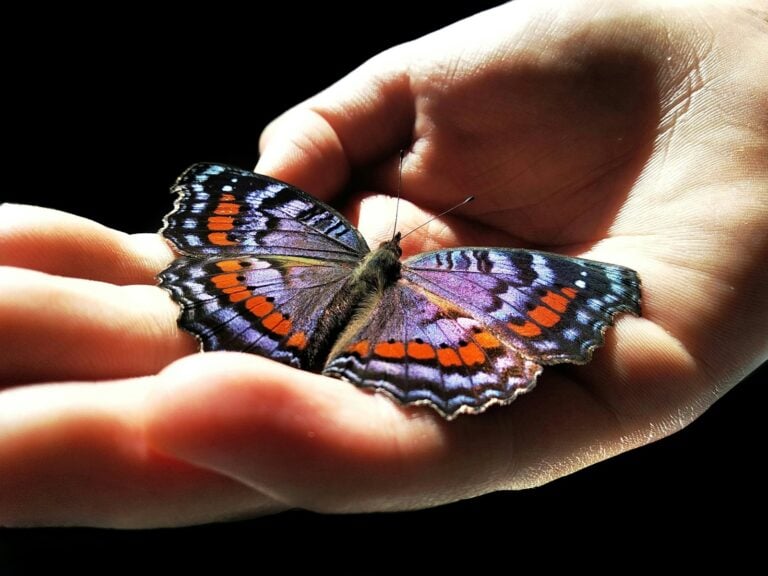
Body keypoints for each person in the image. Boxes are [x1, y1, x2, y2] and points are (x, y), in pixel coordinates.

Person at [0, 0, 765, 527]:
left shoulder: (321, 230)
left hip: (279, 289)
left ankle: (257, 328)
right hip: (403, 327)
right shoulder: (472, 271)